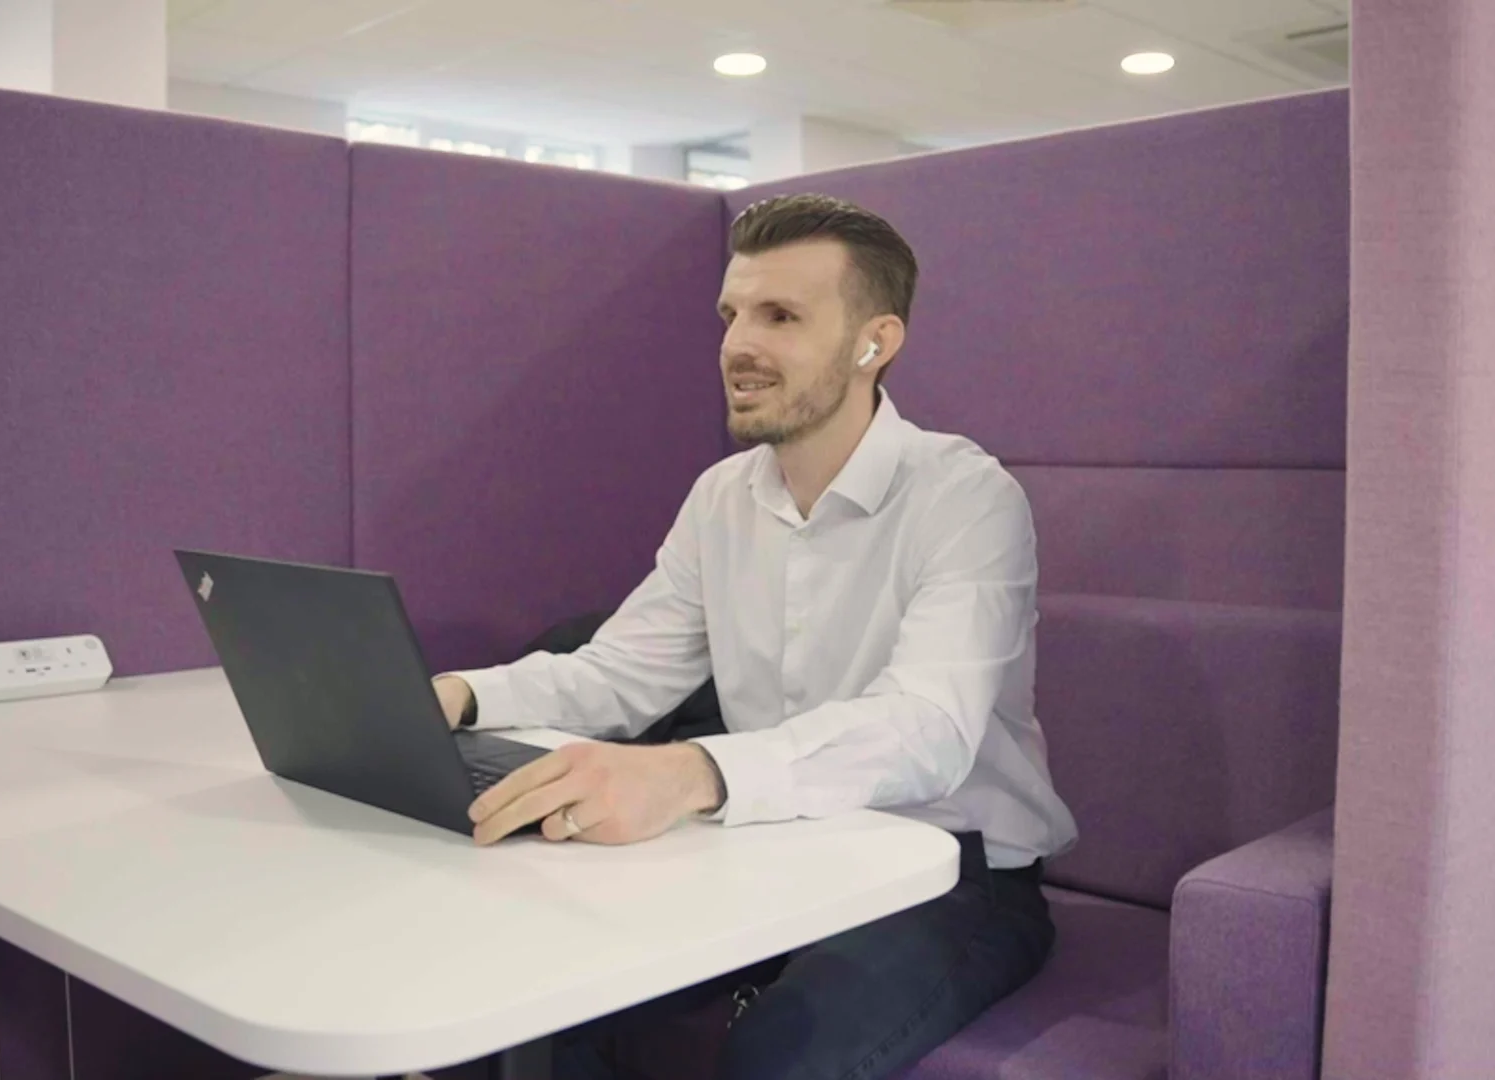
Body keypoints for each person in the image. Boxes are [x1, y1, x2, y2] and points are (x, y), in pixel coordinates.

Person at [432, 194, 1078, 1080]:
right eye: (733, 314)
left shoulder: (965, 497)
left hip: (953, 868)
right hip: (777, 839)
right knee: (520, 995)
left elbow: (927, 729)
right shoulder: (723, 495)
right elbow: (623, 673)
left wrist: (695, 772)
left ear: (874, 342)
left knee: (785, 1056)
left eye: (781, 316)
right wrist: (464, 695)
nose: (739, 344)